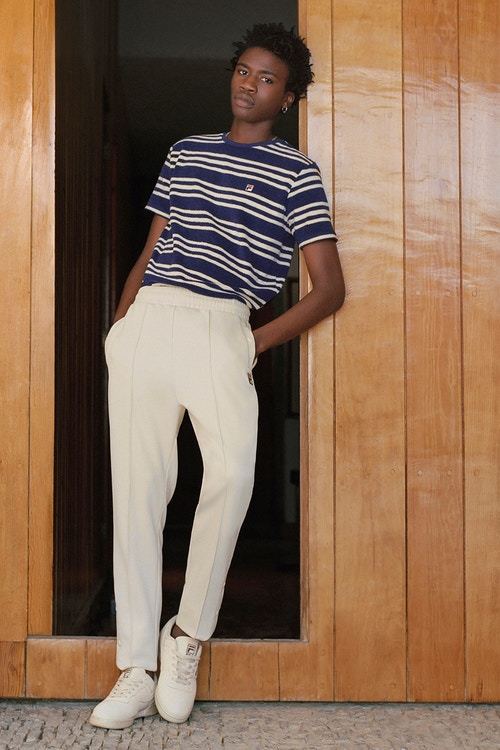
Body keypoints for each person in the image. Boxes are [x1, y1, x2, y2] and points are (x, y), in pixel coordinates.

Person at [89, 21, 345, 731]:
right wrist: (120, 329)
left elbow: (328, 288)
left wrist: (251, 343)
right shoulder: (186, 152)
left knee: (231, 476)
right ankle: (135, 667)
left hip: (223, 326)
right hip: (151, 322)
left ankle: (185, 637)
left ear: (287, 97)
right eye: (243, 70)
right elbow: (153, 249)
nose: (248, 84)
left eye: (267, 78)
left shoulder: (297, 173)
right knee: (138, 491)